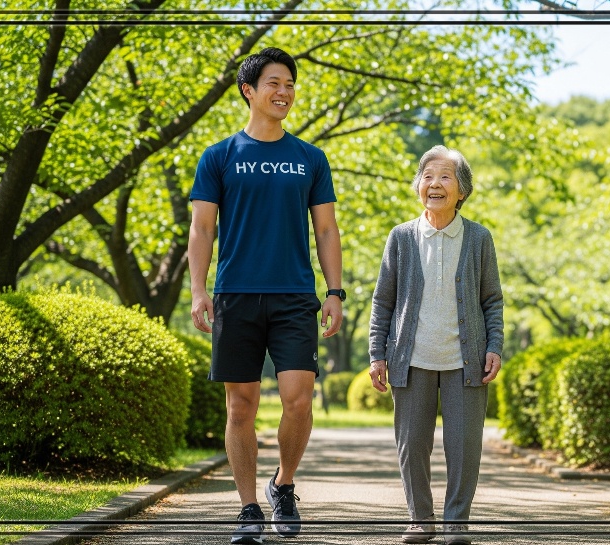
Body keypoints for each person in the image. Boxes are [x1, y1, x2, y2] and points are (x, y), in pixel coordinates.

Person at [188, 47, 345, 545]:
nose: (284, 92)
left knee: (298, 399)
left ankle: (283, 485)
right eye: (274, 83)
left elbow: (326, 230)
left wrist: (334, 290)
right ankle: (248, 507)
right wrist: (198, 289)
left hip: (295, 295)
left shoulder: (310, 158)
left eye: (290, 84)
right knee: (242, 406)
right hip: (235, 294)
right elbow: (202, 228)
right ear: (249, 91)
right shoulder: (219, 156)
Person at [368, 145, 504, 545]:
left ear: (462, 190)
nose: (434, 183)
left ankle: (456, 522)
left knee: (464, 448)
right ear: (418, 186)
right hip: (411, 358)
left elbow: (491, 300)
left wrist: (494, 345)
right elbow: (383, 300)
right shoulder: (402, 237)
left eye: (445, 176)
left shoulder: (479, 238)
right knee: (413, 446)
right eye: (427, 175)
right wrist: (377, 353)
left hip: (467, 360)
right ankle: (420, 519)